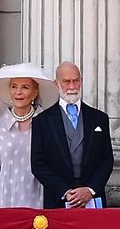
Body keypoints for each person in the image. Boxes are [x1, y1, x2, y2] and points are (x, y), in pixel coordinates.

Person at [30, 61, 114, 209]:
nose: (72, 86)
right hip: (58, 200)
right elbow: (38, 164)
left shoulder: (99, 118)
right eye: (66, 81)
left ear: (81, 81)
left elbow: (107, 160)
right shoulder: (41, 121)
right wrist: (65, 192)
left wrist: (90, 189)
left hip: (93, 199)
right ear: (56, 84)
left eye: (75, 81)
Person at [0, 63, 57, 209]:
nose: (18, 92)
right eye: (14, 87)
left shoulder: (47, 125)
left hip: (40, 204)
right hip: (4, 204)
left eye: (25, 87)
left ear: (35, 93)